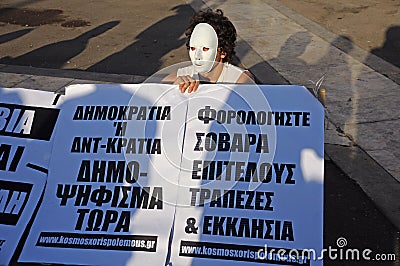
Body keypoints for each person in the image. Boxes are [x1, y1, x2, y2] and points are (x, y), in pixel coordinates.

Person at [164, 9, 254, 93]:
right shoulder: (178, 76)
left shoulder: (240, 80)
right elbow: (154, 99)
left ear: (223, 52)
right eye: (193, 48)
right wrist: (172, 90)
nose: (197, 56)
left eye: (205, 49)